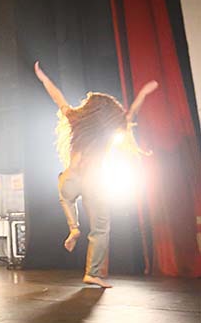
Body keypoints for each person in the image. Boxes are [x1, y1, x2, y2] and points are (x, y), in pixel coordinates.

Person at [34, 61, 157, 288]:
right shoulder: (110, 129)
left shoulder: (76, 120)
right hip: (93, 181)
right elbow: (131, 115)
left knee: (66, 197)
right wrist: (142, 94)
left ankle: (73, 228)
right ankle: (92, 273)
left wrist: (43, 78)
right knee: (101, 229)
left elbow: (57, 96)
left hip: (70, 178)